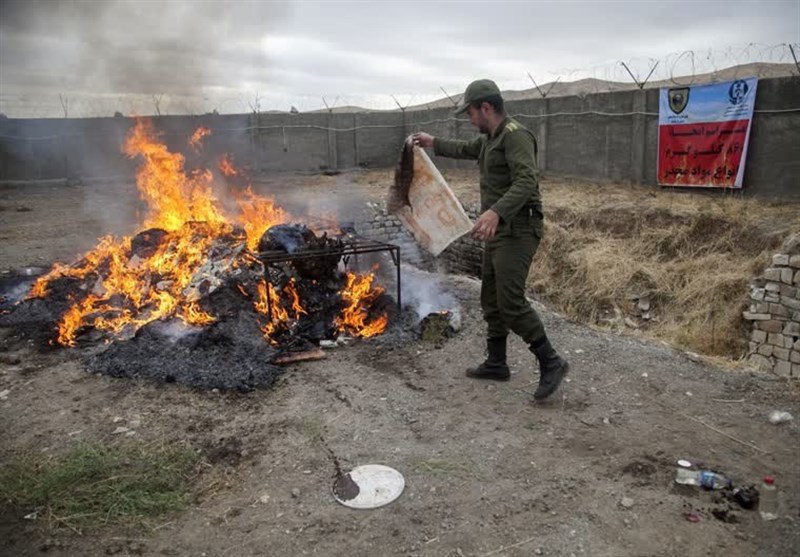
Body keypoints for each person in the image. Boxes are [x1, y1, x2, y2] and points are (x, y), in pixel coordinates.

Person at [412, 79, 568, 400]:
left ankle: (550, 361)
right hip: (498, 232)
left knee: (510, 301)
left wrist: (496, 211)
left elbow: (527, 180)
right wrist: (432, 142)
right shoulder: (489, 141)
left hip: (518, 229)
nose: (469, 119)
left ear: (486, 107)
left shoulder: (516, 136)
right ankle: (497, 362)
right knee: (491, 299)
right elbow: (464, 149)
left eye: (470, 112)